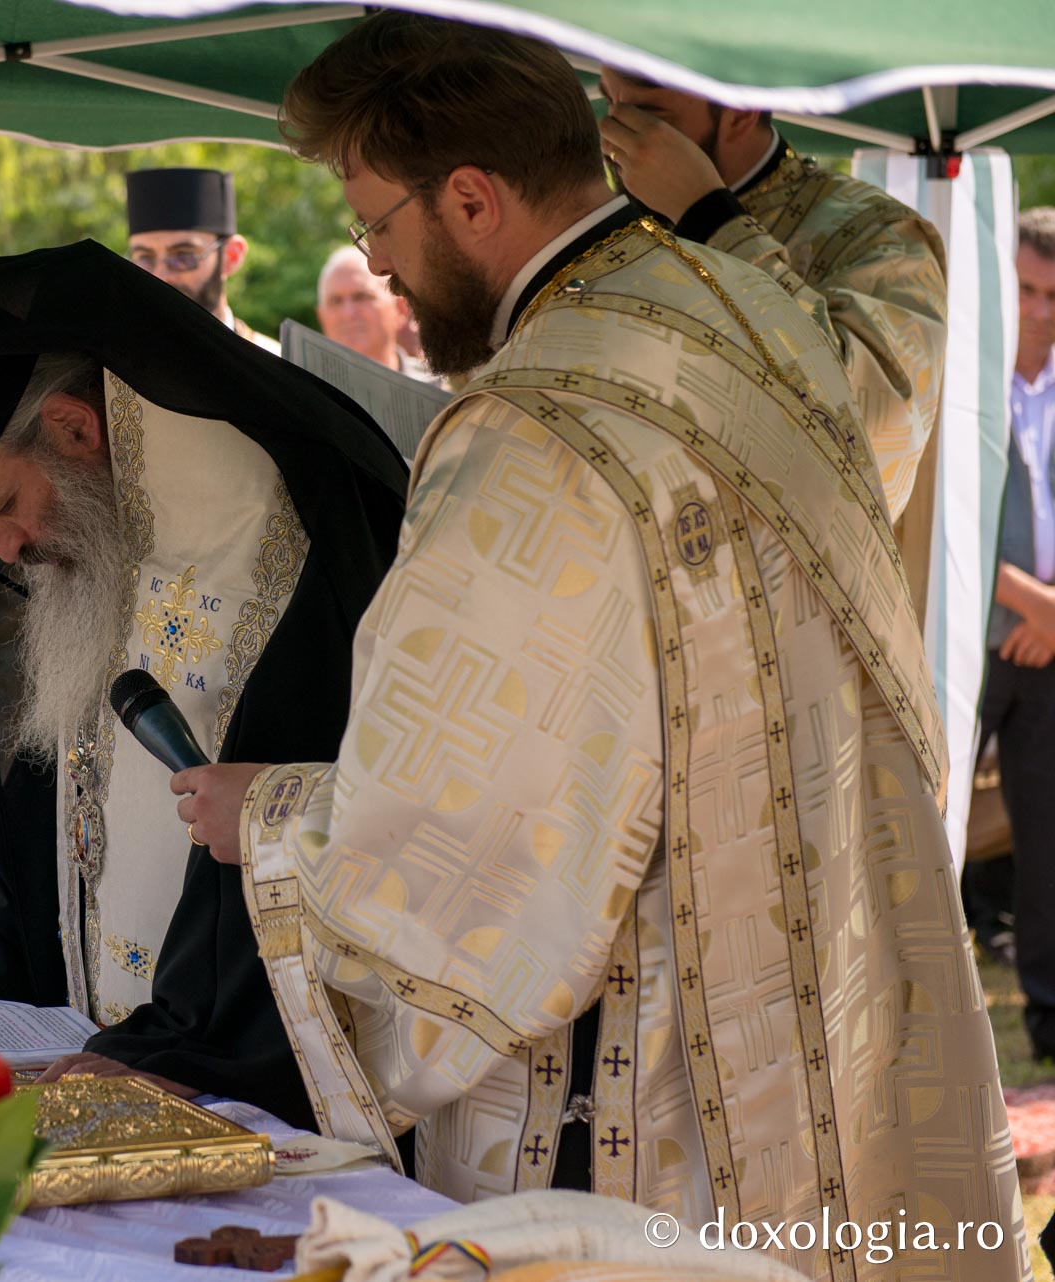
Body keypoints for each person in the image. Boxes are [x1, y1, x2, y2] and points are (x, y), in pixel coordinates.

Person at [173, 15, 1024, 1280]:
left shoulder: (532, 423)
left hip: (653, 1061)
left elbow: (483, 836)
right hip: (821, 994)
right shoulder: (757, 313)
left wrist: (280, 820)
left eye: (379, 227)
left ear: (469, 198)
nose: (380, 266)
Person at [0, 240, 406, 1126]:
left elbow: (298, 801)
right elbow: (55, 766)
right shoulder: (85, 517)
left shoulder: (281, 513)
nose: (6, 550)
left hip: (237, 1080)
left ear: (71, 428)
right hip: (95, 1045)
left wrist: (186, 1043)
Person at [599, 70, 946, 525]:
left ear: (740, 107)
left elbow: (875, 438)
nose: (614, 137)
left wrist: (708, 216)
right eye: (609, 106)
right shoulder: (615, 236)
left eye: (646, 115)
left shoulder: (882, 235)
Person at [972, 208, 1055, 1060]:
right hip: (972, 632)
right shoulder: (971, 378)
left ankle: (1049, 1026)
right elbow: (948, 510)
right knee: (927, 819)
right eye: (1026, 290)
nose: (1038, 309)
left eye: (1053, 295)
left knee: (1049, 839)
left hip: (1051, 646)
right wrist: (1033, 604)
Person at [125, 168, 279, 353]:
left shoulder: (282, 365)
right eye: (144, 258)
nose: (160, 276)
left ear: (231, 256)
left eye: (183, 256)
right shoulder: (106, 367)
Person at [315, 244, 435, 381]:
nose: (348, 313)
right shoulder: (302, 395)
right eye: (336, 301)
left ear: (400, 309)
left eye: (361, 297)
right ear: (322, 317)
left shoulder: (445, 393)